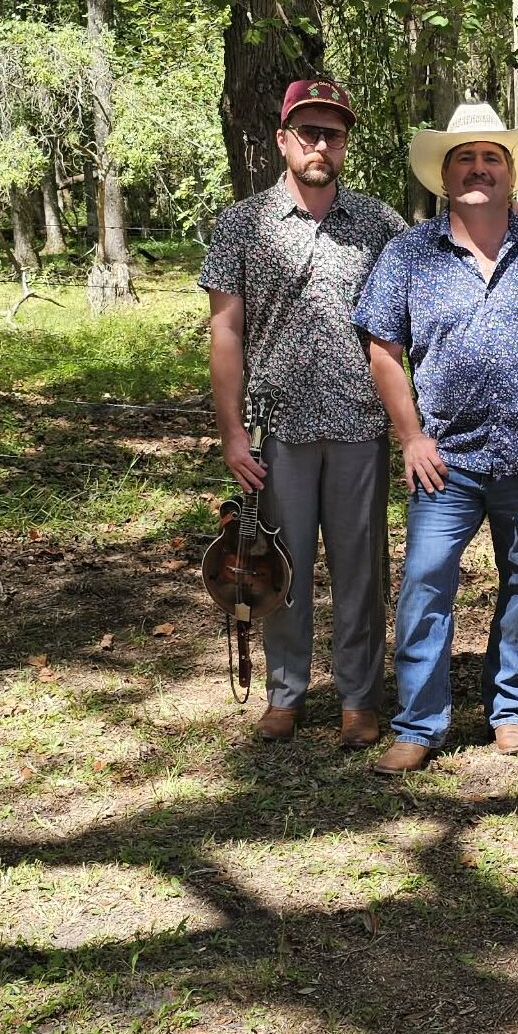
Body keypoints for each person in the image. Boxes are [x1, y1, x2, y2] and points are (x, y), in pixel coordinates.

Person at [354, 101, 518, 773]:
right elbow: (382, 347)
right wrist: (410, 436)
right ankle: (418, 723)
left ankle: (509, 709)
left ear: (511, 173)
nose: (479, 168)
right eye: (465, 158)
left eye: (491, 157)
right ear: (445, 174)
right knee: (425, 584)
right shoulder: (409, 253)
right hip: (445, 460)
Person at [200, 77, 406, 746]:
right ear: (283, 139)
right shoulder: (243, 223)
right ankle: (285, 692)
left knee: (360, 568)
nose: (320, 144)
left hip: (358, 422)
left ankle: (358, 699)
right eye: (308, 132)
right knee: (274, 563)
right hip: (276, 429)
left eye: (333, 134)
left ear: (345, 144)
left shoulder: (380, 224)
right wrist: (232, 431)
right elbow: (226, 330)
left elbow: (419, 304)